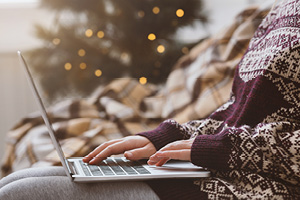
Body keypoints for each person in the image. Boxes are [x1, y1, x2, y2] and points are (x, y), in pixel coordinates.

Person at [1, 0, 300, 199]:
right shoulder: (280, 11)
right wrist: (167, 136)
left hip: (253, 187)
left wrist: (222, 149)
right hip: (220, 164)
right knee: (15, 183)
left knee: (18, 194)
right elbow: (239, 112)